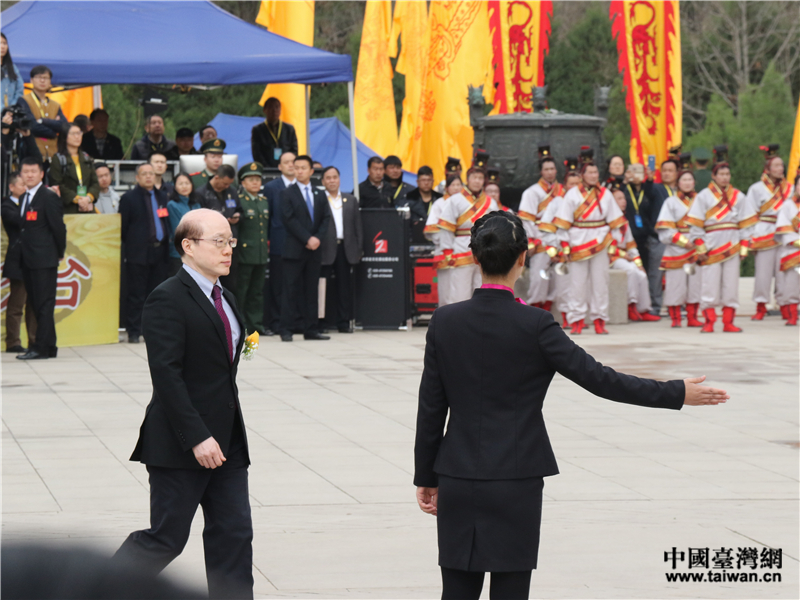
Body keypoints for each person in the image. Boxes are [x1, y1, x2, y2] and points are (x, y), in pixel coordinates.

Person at [413, 211, 730, 600]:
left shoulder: (444, 321)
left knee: (456, 592)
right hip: (517, 476)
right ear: (523, 257)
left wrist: (425, 476)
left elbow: (431, 409)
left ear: (474, 258)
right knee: (511, 592)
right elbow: (600, 380)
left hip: (457, 474)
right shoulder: (535, 324)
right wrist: (675, 392)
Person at [114, 209, 253, 600]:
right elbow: (166, 376)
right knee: (165, 539)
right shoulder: (167, 298)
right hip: (182, 443)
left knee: (234, 535)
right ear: (188, 246)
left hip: (228, 442)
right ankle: (94, 589)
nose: (228, 250)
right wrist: (196, 436)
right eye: (219, 241)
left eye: (230, 241)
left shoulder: (226, 297)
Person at [555, 156, 626, 335]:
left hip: (600, 241)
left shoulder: (605, 194)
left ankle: (599, 320)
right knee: (577, 284)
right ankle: (577, 320)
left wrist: (613, 245)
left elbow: (616, 222)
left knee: (601, 283)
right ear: (582, 175)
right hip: (577, 242)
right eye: (590, 172)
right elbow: (563, 224)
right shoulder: (572, 194)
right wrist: (565, 246)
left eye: (596, 172)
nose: (594, 176)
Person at [686, 148, 755, 333]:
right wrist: (700, 247)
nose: (725, 178)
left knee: (731, 285)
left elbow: (745, 224)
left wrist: (744, 247)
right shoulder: (703, 196)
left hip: (732, 244)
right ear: (714, 176)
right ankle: (709, 322)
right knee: (709, 285)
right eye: (721, 174)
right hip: (711, 245)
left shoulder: (739, 196)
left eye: (727, 174)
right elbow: (696, 225)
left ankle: (728, 322)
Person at [15, 157, 66, 360]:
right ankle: (50, 346)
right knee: (37, 303)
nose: (29, 175)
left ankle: (41, 348)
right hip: (27, 259)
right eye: (25, 171)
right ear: (21, 174)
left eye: (33, 171)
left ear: (41, 174)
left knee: (44, 304)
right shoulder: (23, 198)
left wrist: (58, 253)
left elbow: (58, 228)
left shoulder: (48, 197)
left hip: (44, 259)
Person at [279, 155, 331, 341]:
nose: (299, 171)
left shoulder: (319, 193)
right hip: (294, 249)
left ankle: (311, 329)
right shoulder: (287, 193)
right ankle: (286, 329)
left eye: (303, 168)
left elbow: (326, 218)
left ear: (311, 171)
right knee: (290, 290)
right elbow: (289, 219)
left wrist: (317, 238)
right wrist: (307, 238)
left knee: (312, 290)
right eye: (297, 167)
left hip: (314, 250)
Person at [119, 163, 170, 343]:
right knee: (136, 294)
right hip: (138, 253)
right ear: (137, 177)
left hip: (160, 251)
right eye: (144, 174)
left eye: (151, 173)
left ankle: (153, 330)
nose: (148, 176)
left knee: (156, 294)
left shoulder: (162, 196)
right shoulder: (128, 198)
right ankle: (134, 331)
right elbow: (123, 228)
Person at [437, 164, 500, 304]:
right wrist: (447, 251)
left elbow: (496, 228)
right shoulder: (454, 200)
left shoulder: (491, 202)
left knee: (483, 290)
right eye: (474, 177)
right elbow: (446, 227)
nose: (477, 181)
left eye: (480, 178)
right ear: (468, 179)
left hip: (485, 252)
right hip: (460, 250)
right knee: (460, 291)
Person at [744, 146, 791, 320]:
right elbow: (749, 214)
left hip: (785, 233)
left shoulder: (791, 188)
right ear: (768, 169)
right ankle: (761, 306)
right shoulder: (756, 189)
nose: (780, 169)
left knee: (784, 272)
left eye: (781, 165)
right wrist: (750, 237)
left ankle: (784, 305)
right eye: (776, 166)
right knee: (763, 274)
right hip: (764, 232)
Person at [655, 169, 703, 327]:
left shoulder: (701, 200)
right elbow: (665, 228)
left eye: (690, 179)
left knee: (695, 284)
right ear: (678, 183)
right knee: (675, 284)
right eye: (684, 180)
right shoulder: (671, 202)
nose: (687, 183)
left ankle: (692, 317)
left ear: (694, 182)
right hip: (676, 248)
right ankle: (675, 318)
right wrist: (683, 241)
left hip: (697, 245)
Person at [537, 165, 582, 328]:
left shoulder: (585, 202)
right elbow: (545, 228)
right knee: (564, 286)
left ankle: (579, 317)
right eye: (571, 184)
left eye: (577, 183)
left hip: (582, 250)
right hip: (562, 251)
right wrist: (553, 250)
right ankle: (567, 318)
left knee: (581, 286)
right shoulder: (557, 202)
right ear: (565, 185)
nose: (574, 187)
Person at [319, 166, 363, 333]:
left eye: (335, 177)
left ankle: (343, 321)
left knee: (344, 287)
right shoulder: (319, 199)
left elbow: (358, 227)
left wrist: (358, 249)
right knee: (323, 287)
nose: (332, 181)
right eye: (328, 178)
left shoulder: (350, 200)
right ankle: (321, 322)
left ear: (339, 179)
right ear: (323, 181)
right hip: (324, 249)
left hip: (346, 248)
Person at [518, 147, 562, 310]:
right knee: (539, 277)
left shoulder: (563, 191)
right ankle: (536, 307)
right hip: (540, 239)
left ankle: (549, 307)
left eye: (552, 168)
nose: (550, 172)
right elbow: (526, 220)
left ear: (556, 170)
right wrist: (534, 240)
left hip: (559, 238)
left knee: (557, 278)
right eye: (546, 169)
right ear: (541, 172)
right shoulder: (531, 192)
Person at [608, 184, 660, 322]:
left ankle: (644, 309)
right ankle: (630, 306)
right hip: (609, 258)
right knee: (630, 270)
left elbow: (631, 245)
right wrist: (622, 254)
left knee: (641, 274)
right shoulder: (606, 221)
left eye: (624, 198)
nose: (623, 201)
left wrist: (639, 263)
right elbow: (604, 245)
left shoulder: (624, 221)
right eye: (619, 198)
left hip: (623, 257)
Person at [1, 171, 37, 352]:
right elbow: (21, 220)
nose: (25, 188)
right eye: (22, 185)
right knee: (17, 303)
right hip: (17, 261)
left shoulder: (31, 203)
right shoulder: (7, 206)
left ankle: (34, 340)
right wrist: (35, 214)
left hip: (33, 259)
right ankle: (13, 342)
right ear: (12, 187)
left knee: (33, 304)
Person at [262, 151, 296, 334]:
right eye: (286, 162)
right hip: (278, 242)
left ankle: (295, 321)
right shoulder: (271, 187)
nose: (291, 165)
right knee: (277, 285)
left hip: (300, 243)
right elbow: (267, 217)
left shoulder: (302, 186)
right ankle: (276, 321)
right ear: (279, 166)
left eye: (293, 162)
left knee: (296, 284)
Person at [235, 162, 270, 336]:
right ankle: (239, 325)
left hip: (260, 253)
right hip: (244, 254)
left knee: (257, 292)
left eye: (257, 179)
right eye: (251, 180)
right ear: (243, 183)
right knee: (241, 291)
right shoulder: (240, 201)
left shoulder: (264, 202)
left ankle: (255, 325)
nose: (255, 183)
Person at [641, 157, 679, 316]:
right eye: (664, 171)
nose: (667, 174)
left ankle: (678, 305)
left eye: (671, 171)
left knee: (678, 274)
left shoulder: (682, 191)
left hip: (680, 240)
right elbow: (648, 192)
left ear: (677, 173)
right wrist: (649, 180)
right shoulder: (656, 188)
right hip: (659, 239)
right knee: (656, 274)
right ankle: (655, 306)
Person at [196, 164, 242, 290]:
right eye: (225, 183)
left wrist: (237, 216)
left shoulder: (232, 191)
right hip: (212, 243)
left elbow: (240, 210)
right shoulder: (201, 193)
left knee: (230, 282)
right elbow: (198, 219)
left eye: (229, 184)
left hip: (230, 241)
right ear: (216, 177)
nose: (227, 186)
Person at [15, 65, 67, 163]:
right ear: (31, 80)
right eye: (39, 77)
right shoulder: (24, 100)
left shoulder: (55, 105)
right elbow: (31, 126)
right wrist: (53, 132)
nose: (42, 81)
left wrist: (42, 121)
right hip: (32, 153)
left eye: (46, 78)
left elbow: (64, 126)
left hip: (53, 154)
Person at [48, 122, 100, 214]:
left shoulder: (86, 157)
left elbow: (95, 183)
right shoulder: (58, 159)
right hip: (68, 209)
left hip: (87, 208)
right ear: (65, 137)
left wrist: (88, 198)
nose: (77, 137)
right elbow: (57, 183)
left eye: (79, 133)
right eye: (73, 134)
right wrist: (77, 199)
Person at [425, 175, 461, 307]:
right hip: (444, 249)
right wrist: (446, 240)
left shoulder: (466, 203)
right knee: (446, 286)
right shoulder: (439, 203)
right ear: (447, 188)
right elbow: (432, 228)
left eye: (458, 185)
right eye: (453, 185)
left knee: (462, 286)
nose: (456, 188)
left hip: (463, 250)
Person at [774, 173, 800, 325]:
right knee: (791, 285)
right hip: (793, 251)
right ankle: (792, 316)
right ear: (795, 187)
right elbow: (784, 230)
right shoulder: (787, 205)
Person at [166, 173, 201, 276]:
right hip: (179, 252)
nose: (184, 186)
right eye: (180, 184)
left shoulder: (196, 204)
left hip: (197, 251)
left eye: (187, 183)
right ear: (175, 186)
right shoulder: (172, 205)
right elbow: (178, 230)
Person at [251, 97, 298, 168]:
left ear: (280, 110)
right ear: (264, 110)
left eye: (277, 107)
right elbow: (257, 153)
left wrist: (287, 165)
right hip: (266, 169)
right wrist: (267, 169)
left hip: (286, 168)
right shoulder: (258, 130)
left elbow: (294, 151)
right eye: (271, 107)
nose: (274, 110)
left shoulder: (289, 129)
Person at [621, 163, 652, 272]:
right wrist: (625, 181)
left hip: (646, 236)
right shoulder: (625, 189)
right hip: (630, 234)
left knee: (646, 267)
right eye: (633, 172)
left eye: (639, 172)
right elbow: (617, 197)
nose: (636, 175)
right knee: (632, 268)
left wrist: (650, 179)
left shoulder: (648, 189)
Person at [1, 33, 24, 109]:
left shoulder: (13, 68)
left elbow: (19, 90)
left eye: (4, 43)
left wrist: (11, 109)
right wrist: (3, 110)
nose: (2, 46)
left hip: (11, 111)